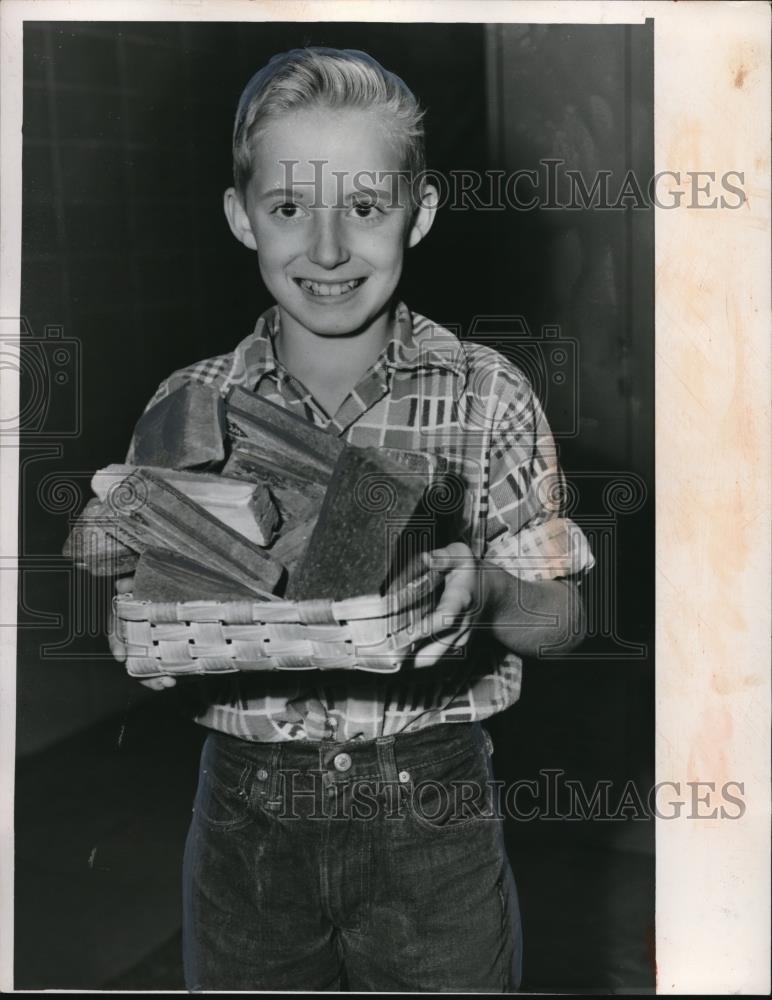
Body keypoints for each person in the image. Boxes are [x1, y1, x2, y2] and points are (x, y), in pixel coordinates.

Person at [110, 47, 594, 992]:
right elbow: (150, 628)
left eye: (366, 207)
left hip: (433, 807)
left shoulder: (484, 395)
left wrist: (489, 594)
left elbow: (566, 622)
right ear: (241, 216)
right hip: (247, 819)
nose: (327, 249)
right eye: (289, 207)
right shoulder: (187, 404)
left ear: (422, 211)